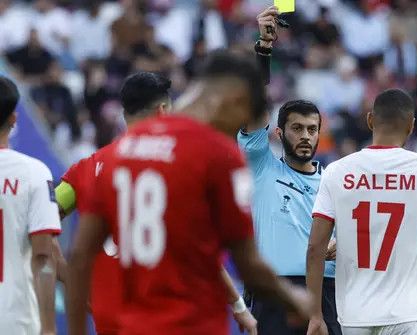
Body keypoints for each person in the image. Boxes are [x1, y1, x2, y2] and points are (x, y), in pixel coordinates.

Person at [65, 50, 311, 335]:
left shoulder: (118, 153)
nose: (237, 127)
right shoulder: (217, 154)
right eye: (244, 116)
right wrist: (295, 299)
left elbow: (80, 255)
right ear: (236, 99)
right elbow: (250, 266)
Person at [56, 71, 257, 334]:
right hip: (171, 317)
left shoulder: (87, 168)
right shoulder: (173, 169)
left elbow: (40, 223)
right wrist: (238, 305)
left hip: (111, 318)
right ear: (163, 110)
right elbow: (198, 248)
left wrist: (72, 284)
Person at [305, 89, 417, 335]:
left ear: (369, 120)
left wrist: (314, 315)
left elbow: (315, 249)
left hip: (355, 315)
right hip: (408, 315)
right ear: (411, 125)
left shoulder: (336, 172)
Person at [237, 6, 341, 335]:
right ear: (279, 134)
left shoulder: (334, 182)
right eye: (297, 128)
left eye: (312, 129)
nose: (306, 136)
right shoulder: (262, 167)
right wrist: (263, 50)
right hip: (275, 295)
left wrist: (344, 243)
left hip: (327, 294)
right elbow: (253, 107)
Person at [0, 76, 60, 334]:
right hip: (15, 320)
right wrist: (49, 328)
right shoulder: (34, 173)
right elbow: (43, 255)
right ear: (14, 118)